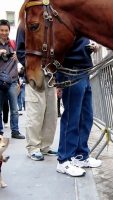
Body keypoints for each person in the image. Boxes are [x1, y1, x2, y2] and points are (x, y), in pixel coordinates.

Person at [56, 37, 102, 177]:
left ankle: (80, 155)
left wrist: (92, 46)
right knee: (72, 118)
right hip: (70, 71)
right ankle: (64, 160)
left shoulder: (82, 23)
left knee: (86, 117)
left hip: (84, 71)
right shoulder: (68, 21)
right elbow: (58, 49)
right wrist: (58, 80)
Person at [16, 27, 57, 161]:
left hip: (50, 74)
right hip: (34, 74)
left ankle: (45, 146)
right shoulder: (24, 26)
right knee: (35, 112)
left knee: (51, 113)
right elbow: (20, 51)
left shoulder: (50, 23)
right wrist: (31, 67)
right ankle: (33, 147)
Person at [0, 19, 25, 139]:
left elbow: (22, 57)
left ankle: (15, 131)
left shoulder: (13, 44)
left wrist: (18, 56)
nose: (4, 33)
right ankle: (0, 132)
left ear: (9, 31)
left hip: (13, 81)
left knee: (14, 109)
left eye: (6, 30)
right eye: (1, 30)